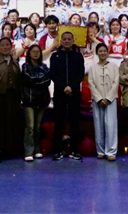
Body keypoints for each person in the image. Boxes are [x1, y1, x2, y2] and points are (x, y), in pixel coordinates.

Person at [50, 31, 85, 161]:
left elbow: (80, 74)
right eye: (64, 39)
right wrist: (63, 87)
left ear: (73, 40)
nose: (66, 41)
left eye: (69, 39)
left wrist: (71, 86)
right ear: (61, 41)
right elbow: (53, 74)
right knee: (59, 122)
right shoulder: (55, 56)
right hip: (59, 93)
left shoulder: (78, 56)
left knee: (74, 122)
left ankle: (74, 150)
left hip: (74, 93)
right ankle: (58, 150)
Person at [88, 43, 119, 161]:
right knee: (98, 125)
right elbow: (91, 83)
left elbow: (116, 82)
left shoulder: (114, 66)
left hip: (111, 99)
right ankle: (100, 150)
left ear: (107, 52)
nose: (102, 53)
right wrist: (99, 98)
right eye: (100, 51)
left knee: (111, 125)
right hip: (97, 100)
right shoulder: (92, 68)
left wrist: (109, 98)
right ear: (97, 53)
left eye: (104, 51)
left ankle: (111, 151)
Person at [20, 44, 51, 161]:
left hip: (41, 100)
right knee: (30, 127)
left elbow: (47, 80)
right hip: (29, 100)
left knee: (37, 127)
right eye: (33, 51)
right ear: (29, 54)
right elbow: (28, 79)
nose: (36, 53)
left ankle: (36, 149)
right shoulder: (25, 67)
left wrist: (36, 81)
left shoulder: (45, 67)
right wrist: (39, 81)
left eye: (38, 51)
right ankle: (28, 151)